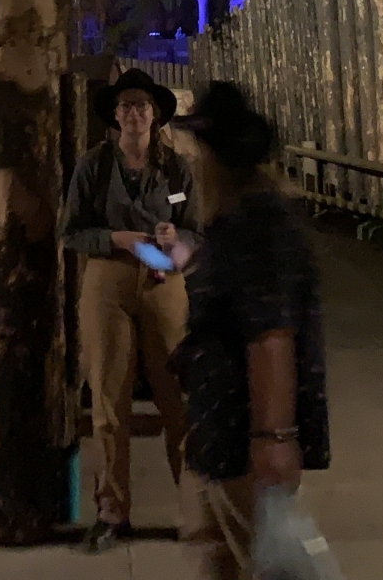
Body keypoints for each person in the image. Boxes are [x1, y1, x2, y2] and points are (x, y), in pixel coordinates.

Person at [168, 82, 329, 580]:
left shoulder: (255, 225)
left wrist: (273, 438)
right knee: (222, 555)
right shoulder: (240, 222)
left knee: (249, 558)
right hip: (222, 434)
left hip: (240, 437)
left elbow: (270, 335)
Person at [59, 69, 198, 553]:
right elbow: (71, 232)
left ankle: (194, 509)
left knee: (179, 396)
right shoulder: (94, 167)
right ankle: (112, 512)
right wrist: (113, 238)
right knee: (108, 397)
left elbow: (196, 233)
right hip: (109, 281)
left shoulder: (176, 169)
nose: (135, 114)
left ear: (155, 115)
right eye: (126, 106)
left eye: (142, 106)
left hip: (163, 281)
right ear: (115, 116)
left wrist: (176, 240)